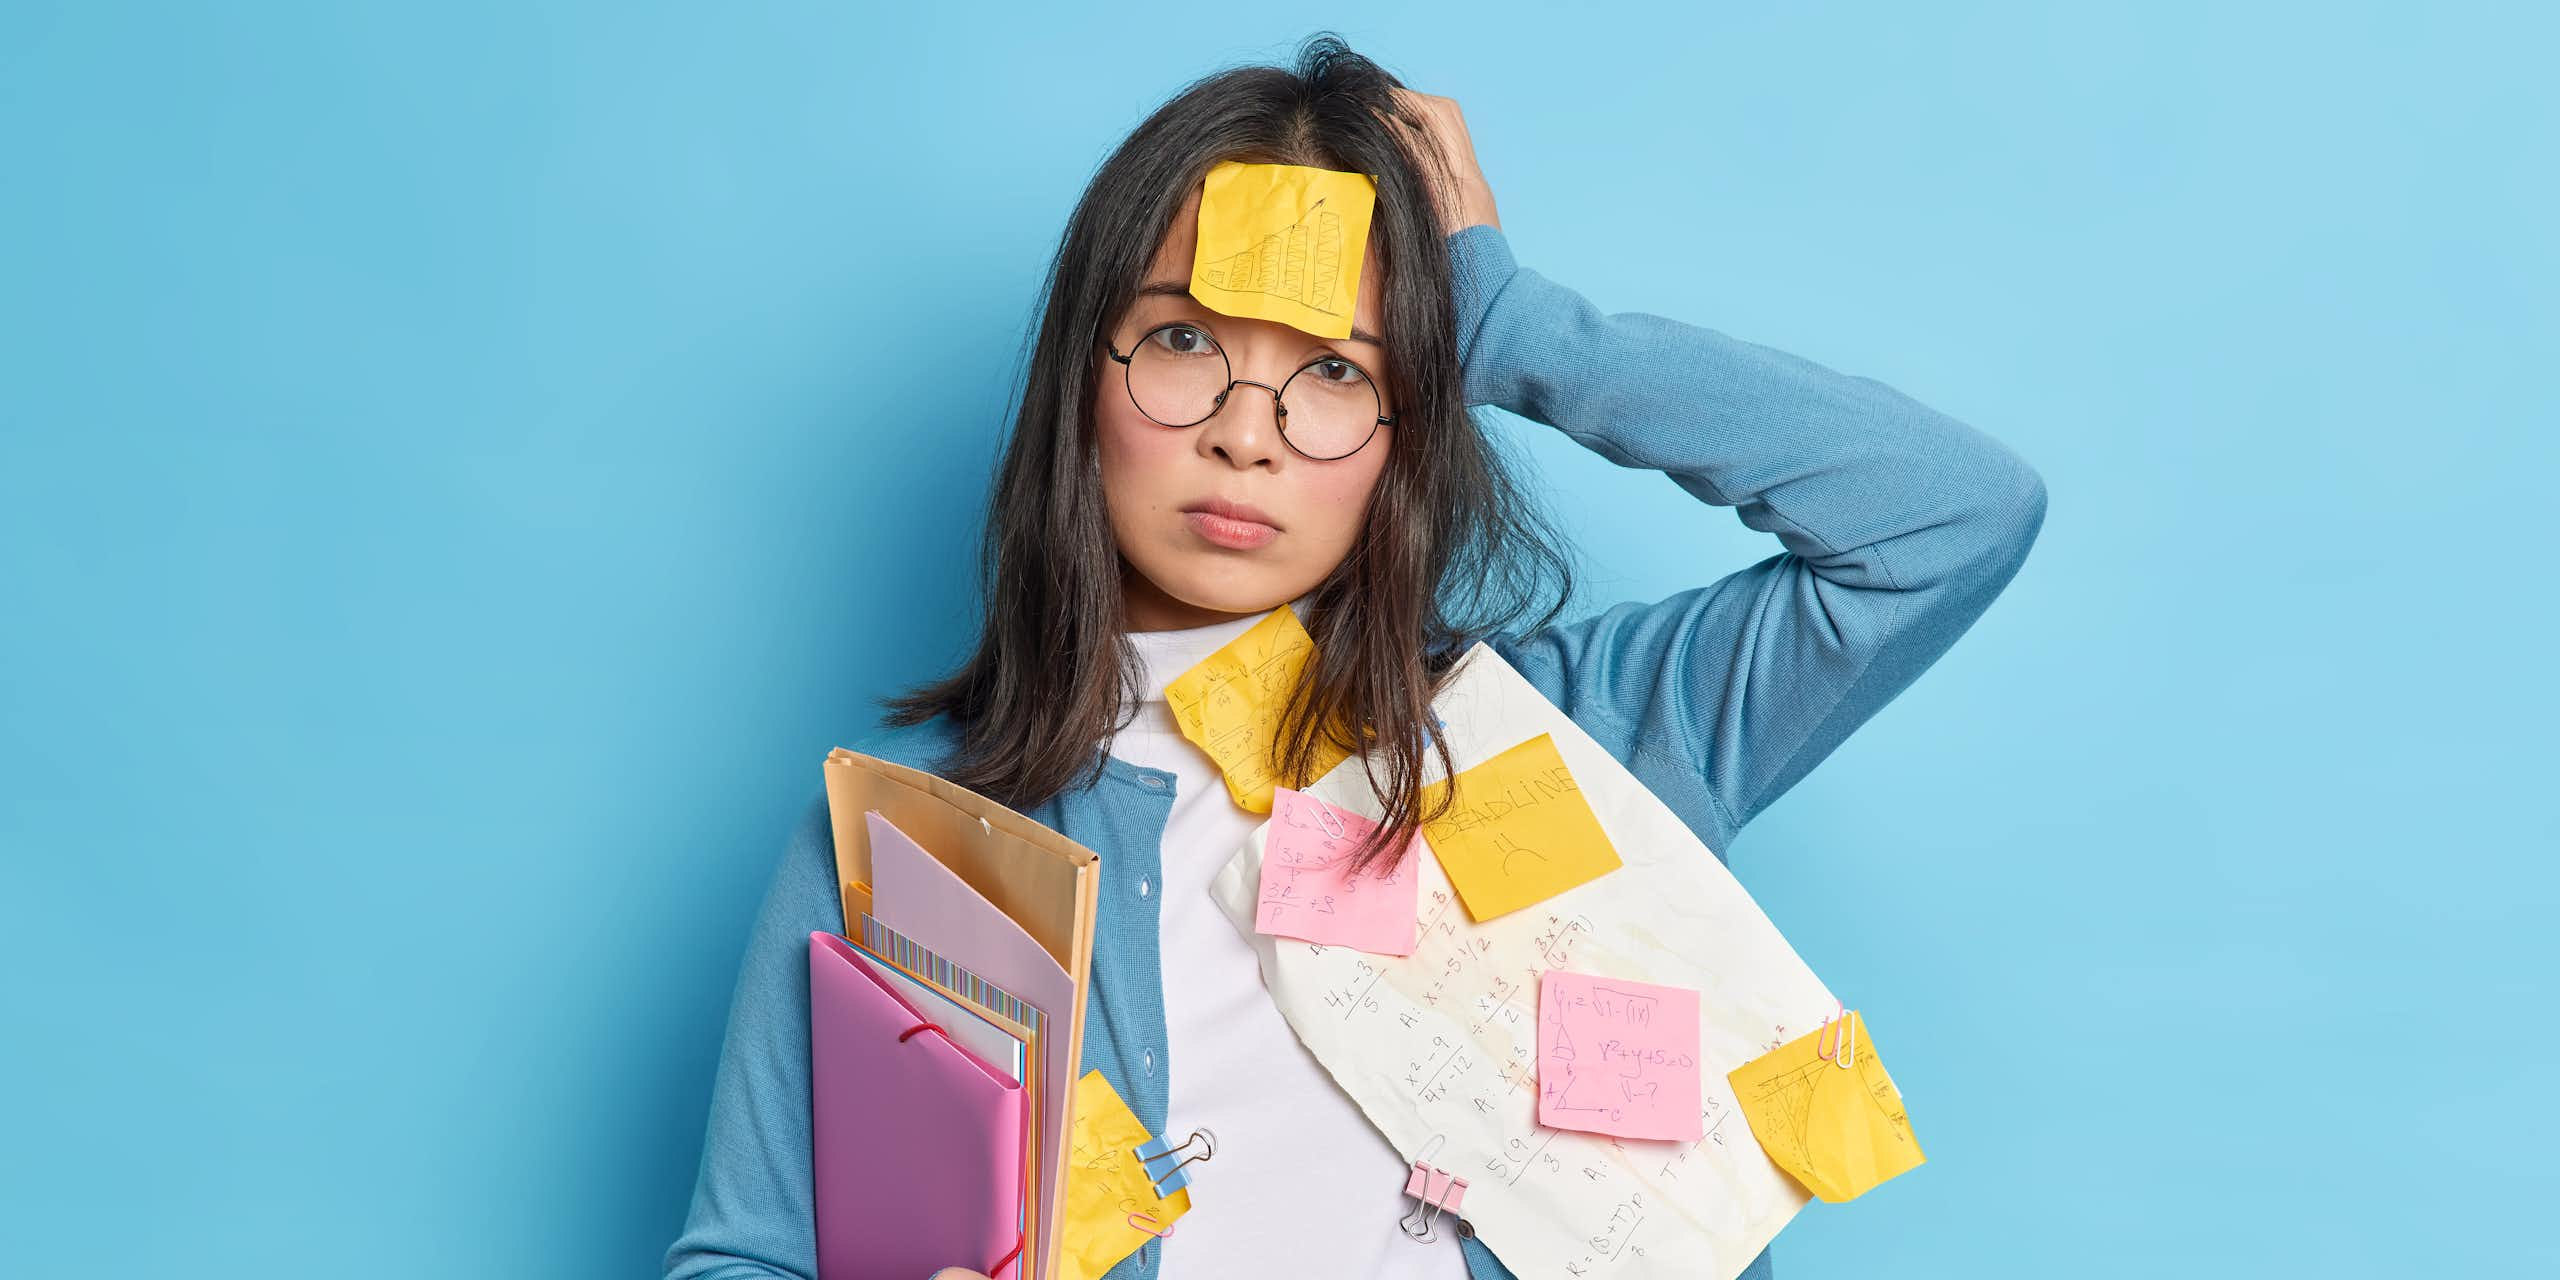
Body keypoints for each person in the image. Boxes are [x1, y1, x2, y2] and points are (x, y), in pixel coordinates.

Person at [665, 33, 2045, 1280]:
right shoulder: (918, 834)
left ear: (1408, 427)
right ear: (1083, 381)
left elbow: (1948, 515)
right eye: (1184, 340)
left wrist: (1505, 325)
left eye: (1336, 370)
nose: (1246, 433)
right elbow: (747, 1256)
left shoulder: (1588, 734)